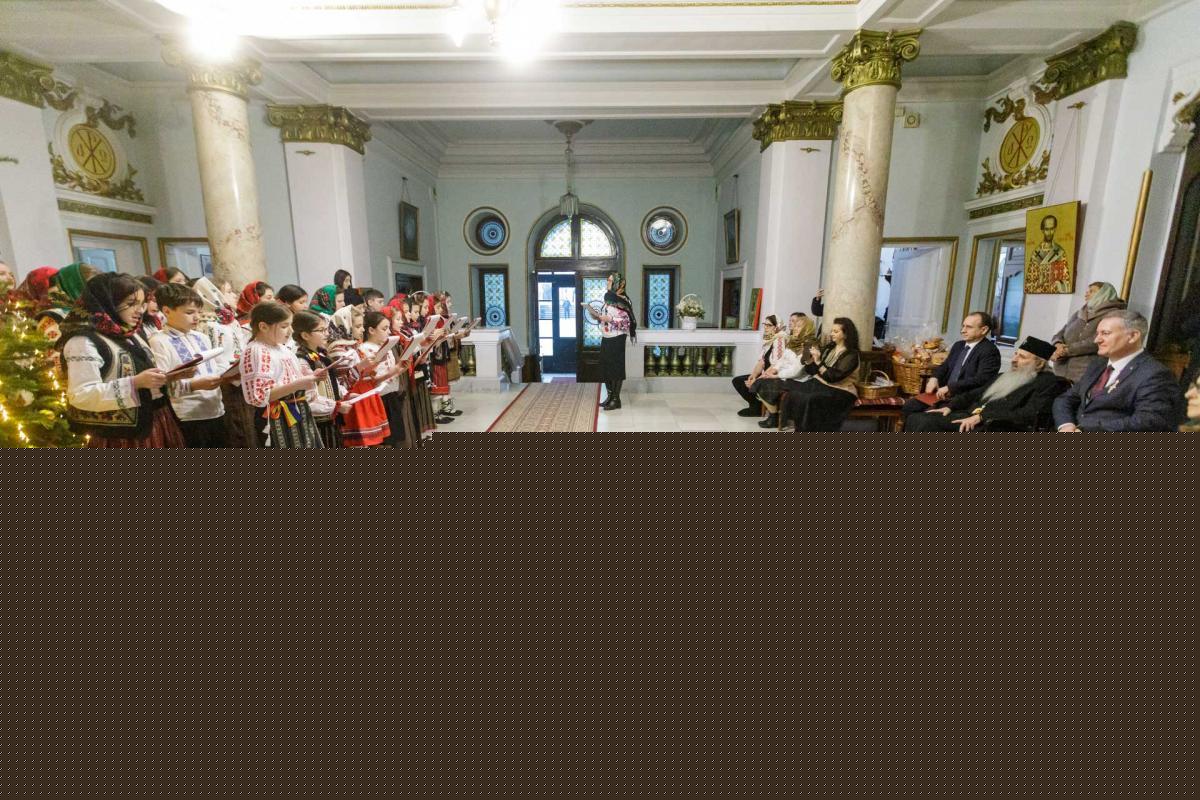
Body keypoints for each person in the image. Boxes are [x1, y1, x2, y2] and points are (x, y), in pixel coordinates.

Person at [57, 272, 185, 448]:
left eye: (141, 304)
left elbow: (146, 377)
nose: (140, 311)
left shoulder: (131, 333)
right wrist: (134, 383)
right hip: (123, 436)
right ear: (108, 302)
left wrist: (171, 377)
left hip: (158, 420)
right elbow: (81, 395)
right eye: (131, 304)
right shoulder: (84, 341)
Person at [1053, 310, 1183, 432]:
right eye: (1097, 334)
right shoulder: (1097, 365)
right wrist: (1066, 425)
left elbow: (1149, 421)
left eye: (1105, 333)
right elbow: (1065, 399)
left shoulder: (1155, 374)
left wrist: (1086, 430)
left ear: (1133, 336)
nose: (1097, 340)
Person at [904, 337, 1066, 431]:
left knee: (925, 423)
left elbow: (1030, 414)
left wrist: (982, 417)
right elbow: (975, 393)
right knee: (916, 418)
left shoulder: (1047, 382)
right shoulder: (1006, 376)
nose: (1014, 360)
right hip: (969, 416)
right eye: (1016, 354)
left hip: (995, 426)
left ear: (1039, 363)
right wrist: (951, 406)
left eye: (1022, 357)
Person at [148, 283, 229, 447]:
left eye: (199, 312)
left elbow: (216, 366)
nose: (196, 317)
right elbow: (161, 384)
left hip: (215, 408)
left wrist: (226, 374)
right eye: (189, 313)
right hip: (188, 415)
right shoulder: (159, 341)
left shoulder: (201, 337)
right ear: (167, 311)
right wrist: (194, 385)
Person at [239, 302, 323, 448]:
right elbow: (260, 396)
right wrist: (299, 384)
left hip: (297, 410)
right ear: (263, 326)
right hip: (277, 417)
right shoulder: (256, 351)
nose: (290, 331)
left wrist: (311, 377)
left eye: (290, 325)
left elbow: (294, 379)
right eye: (284, 326)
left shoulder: (283, 349)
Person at [901, 311, 1002, 419]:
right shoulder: (959, 345)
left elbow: (982, 379)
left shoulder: (990, 351)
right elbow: (945, 366)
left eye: (969, 327)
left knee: (924, 419)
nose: (963, 330)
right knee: (909, 406)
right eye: (963, 326)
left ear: (984, 330)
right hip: (942, 395)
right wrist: (934, 378)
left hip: (963, 399)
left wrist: (951, 387)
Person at [193, 277, 257, 447]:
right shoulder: (207, 323)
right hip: (223, 384)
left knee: (248, 430)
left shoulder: (230, 319)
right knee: (235, 432)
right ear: (212, 294)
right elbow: (212, 356)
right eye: (228, 291)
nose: (235, 295)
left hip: (240, 380)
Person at [781, 317, 862, 432]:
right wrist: (810, 360)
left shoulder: (851, 354)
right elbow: (813, 371)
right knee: (793, 393)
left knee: (810, 399)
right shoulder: (830, 348)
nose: (831, 334)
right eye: (832, 331)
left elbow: (833, 377)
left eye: (836, 331)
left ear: (846, 334)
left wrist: (819, 361)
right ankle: (800, 429)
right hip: (824, 385)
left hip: (842, 390)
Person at [292, 309, 354, 448]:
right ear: (305, 335)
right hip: (317, 423)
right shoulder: (302, 360)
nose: (327, 334)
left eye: (326, 329)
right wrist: (335, 406)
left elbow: (333, 383)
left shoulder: (320, 355)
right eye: (321, 330)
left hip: (330, 419)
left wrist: (346, 394)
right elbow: (307, 399)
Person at [748, 313, 818, 428]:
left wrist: (776, 375)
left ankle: (774, 417)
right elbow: (782, 359)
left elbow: (797, 371)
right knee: (760, 382)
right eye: (795, 326)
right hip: (786, 377)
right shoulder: (794, 341)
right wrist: (773, 370)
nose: (795, 328)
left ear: (807, 329)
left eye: (799, 326)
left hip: (800, 382)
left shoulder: (808, 345)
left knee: (762, 383)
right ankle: (773, 416)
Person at [1049, 281, 1127, 382]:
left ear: (1104, 293)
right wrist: (1057, 344)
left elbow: (1098, 341)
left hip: (1084, 373)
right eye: (1087, 291)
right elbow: (1062, 331)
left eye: (1092, 291)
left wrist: (1067, 350)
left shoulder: (1114, 314)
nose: (1086, 294)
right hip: (1060, 369)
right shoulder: (1080, 312)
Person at [593, 272, 637, 410]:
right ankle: (610, 396)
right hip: (606, 336)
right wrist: (597, 317)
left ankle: (616, 400)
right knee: (606, 367)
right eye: (607, 280)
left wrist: (610, 319)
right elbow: (606, 316)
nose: (607, 282)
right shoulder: (608, 298)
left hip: (617, 338)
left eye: (610, 281)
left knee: (616, 368)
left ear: (618, 283)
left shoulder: (623, 300)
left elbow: (627, 322)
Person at [732, 315, 784, 417]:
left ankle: (757, 408)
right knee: (738, 381)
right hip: (766, 374)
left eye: (769, 325)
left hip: (774, 376)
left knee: (754, 383)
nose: (765, 327)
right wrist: (754, 375)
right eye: (765, 324)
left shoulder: (779, 340)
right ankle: (756, 406)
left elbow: (776, 365)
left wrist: (758, 380)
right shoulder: (769, 340)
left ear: (776, 327)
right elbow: (761, 362)